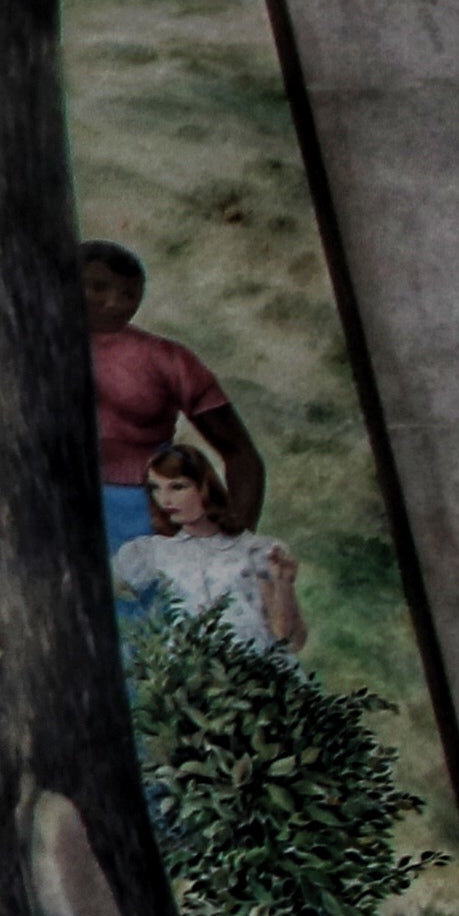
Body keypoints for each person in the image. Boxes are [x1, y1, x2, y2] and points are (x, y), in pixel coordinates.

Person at [83, 241, 262, 548]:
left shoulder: (167, 359)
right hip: (62, 512)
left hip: (151, 510)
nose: (114, 303)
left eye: (128, 294)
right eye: (98, 288)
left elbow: (241, 454)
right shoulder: (29, 352)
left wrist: (232, 547)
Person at [117, 442, 303, 647]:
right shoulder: (153, 552)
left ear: (204, 487)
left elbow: (289, 639)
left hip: (250, 665)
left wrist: (283, 584)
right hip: (193, 666)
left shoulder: (252, 550)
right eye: (156, 488)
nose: (165, 500)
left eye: (178, 487)